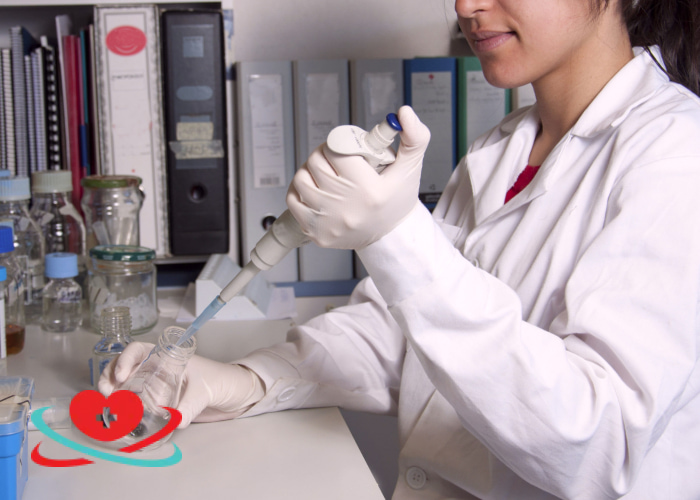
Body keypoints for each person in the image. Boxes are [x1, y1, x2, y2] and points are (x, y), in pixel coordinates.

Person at [100, 0, 700, 497]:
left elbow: (600, 443)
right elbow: (399, 338)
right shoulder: (502, 148)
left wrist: (394, 236)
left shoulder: (676, 155)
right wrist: (246, 380)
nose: (467, 6)